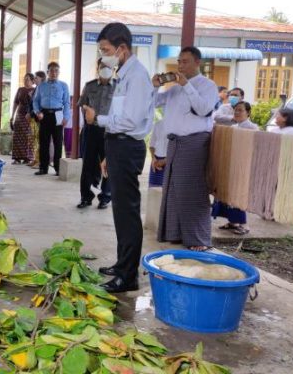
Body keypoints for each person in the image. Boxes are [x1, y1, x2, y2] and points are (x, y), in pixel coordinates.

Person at [83, 22, 154, 293]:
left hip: (127, 146)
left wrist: (96, 118)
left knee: (127, 212)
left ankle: (128, 275)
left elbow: (129, 120)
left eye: (106, 50)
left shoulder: (137, 76)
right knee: (120, 211)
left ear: (122, 48)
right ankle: (122, 262)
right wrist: (108, 153)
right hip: (117, 146)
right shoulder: (123, 73)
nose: (103, 55)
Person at [154, 46, 220, 252]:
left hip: (194, 143)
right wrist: (154, 86)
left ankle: (199, 238)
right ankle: (175, 233)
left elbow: (204, 109)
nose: (181, 65)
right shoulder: (173, 88)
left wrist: (186, 86)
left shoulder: (207, 85)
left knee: (192, 190)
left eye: (185, 62)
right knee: (174, 190)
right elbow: (154, 102)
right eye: (179, 61)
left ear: (197, 63)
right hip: (175, 143)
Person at [212, 101, 258, 235]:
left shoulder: (252, 127)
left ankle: (244, 224)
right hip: (231, 164)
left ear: (248, 113)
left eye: (240, 110)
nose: (237, 112)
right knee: (229, 194)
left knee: (239, 195)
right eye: (235, 110)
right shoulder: (234, 126)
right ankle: (232, 222)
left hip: (243, 166)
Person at [77, 59, 114, 210]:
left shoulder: (119, 87)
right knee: (87, 165)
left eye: (108, 67)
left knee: (108, 165)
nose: (105, 69)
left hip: (109, 131)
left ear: (113, 69)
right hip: (91, 130)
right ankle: (86, 197)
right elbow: (82, 105)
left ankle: (105, 197)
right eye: (102, 66)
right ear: (98, 68)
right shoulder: (90, 85)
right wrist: (88, 120)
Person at [32, 62, 71, 176]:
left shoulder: (63, 85)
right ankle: (43, 168)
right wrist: (37, 112)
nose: (54, 73)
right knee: (43, 142)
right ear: (47, 72)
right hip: (44, 114)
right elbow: (35, 101)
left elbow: (67, 102)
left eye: (56, 71)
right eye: (51, 70)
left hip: (58, 114)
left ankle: (58, 168)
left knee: (58, 142)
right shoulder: (41, 86)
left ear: (59, 72)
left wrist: (66, 116)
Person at [10, 73, 36, 164]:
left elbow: (36, 103)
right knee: (17, 136)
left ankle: (27, 158)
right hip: (19, 115)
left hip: (29, 116)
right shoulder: (20, 89)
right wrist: (12, 116)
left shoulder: (35, 90)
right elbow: (15, 103)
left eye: (28, 79)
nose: (25, 81)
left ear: (33, 81)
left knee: (28, 137)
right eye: (24, 79)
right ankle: (17, 158)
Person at [29, 71, 47, 168]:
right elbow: (32, 103)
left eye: (36, 78)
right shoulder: (37, 88)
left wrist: (33, 113)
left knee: (40, 140)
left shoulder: (44, 89)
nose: (34, 79)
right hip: (34, 116)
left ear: (42, 78)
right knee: (35, 139)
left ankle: (40, 161)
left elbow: (40, 105)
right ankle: (35, 159)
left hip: (40, 117)